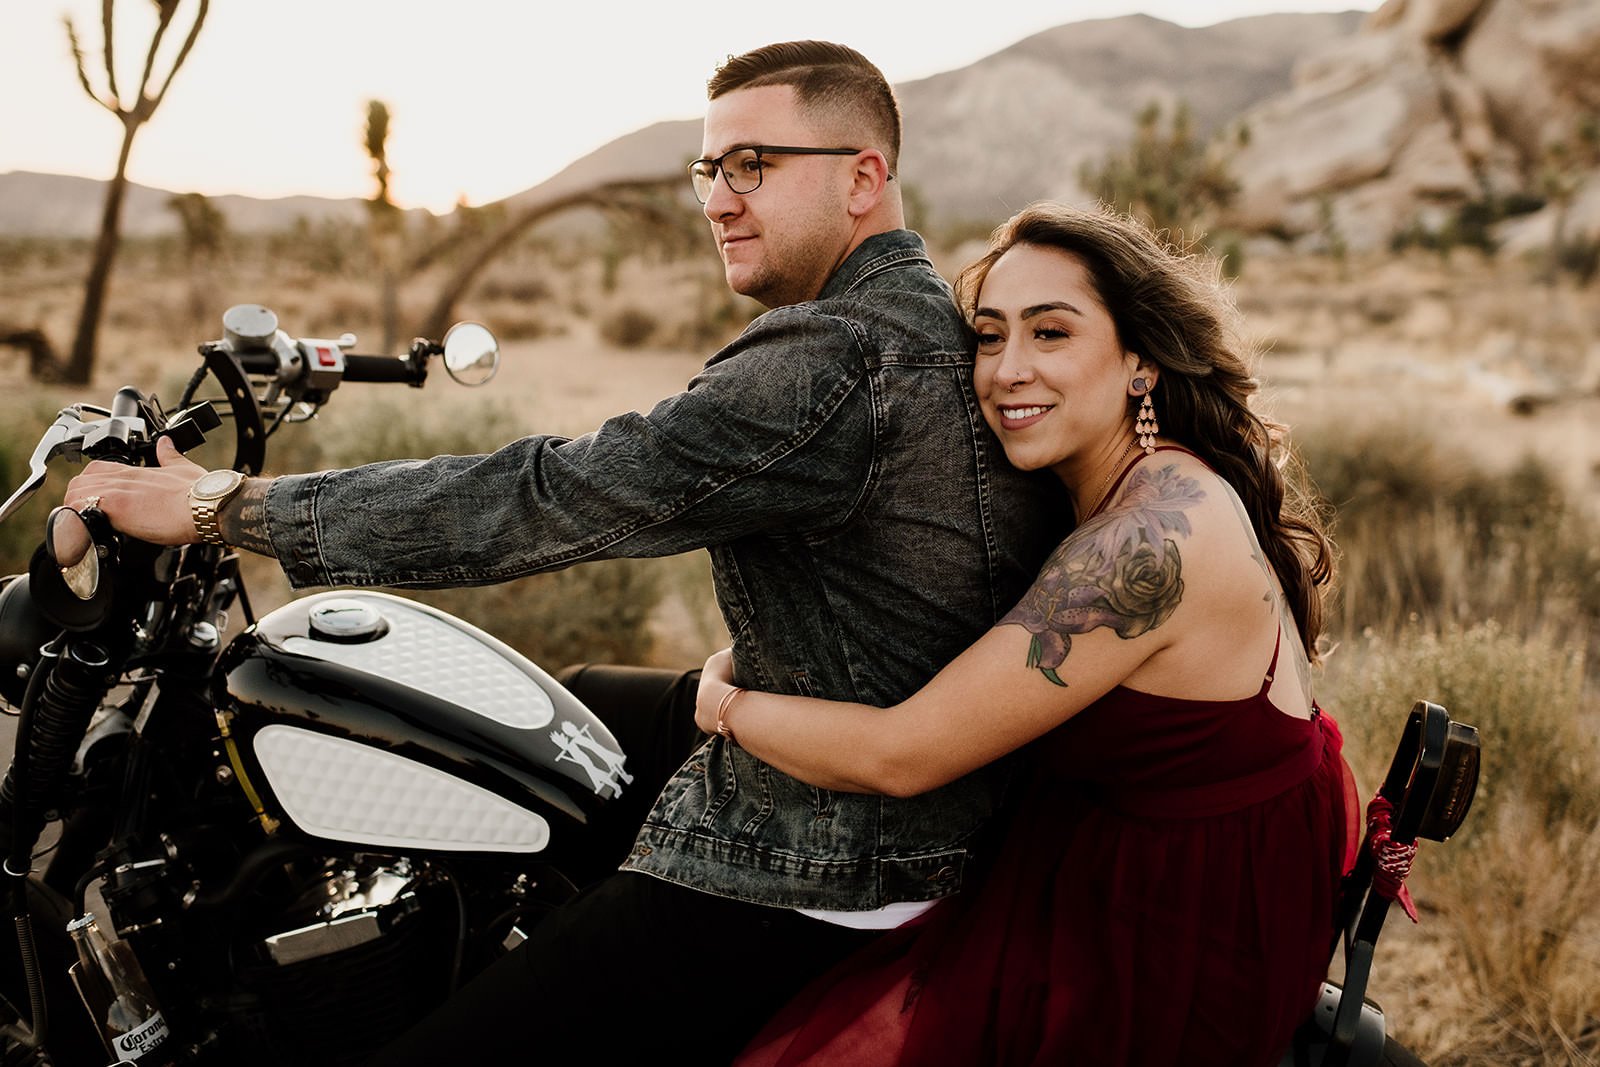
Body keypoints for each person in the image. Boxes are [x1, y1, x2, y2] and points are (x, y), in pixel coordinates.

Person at [62, 41, 1066, 1062]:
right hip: (917, 780)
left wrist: (222, 503)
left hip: (821, 859)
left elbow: (549, 496)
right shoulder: (933, 318)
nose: (718, 198)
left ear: (863, 176)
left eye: (754, 165)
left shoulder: (833, 359)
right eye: (708, 169)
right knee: (554, 698)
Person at [693, 203, 1358, 1066]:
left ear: (1139, 362)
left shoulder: (1150, 538)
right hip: (1130, 847)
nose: (1007, 371)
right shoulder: (1133, 482)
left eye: (1051, 334)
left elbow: (905, 753)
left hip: (1182, 911)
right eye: (988, 335)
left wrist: (725, 702)